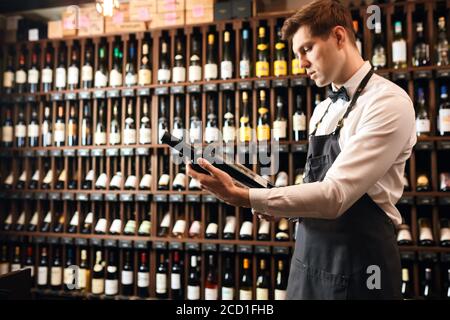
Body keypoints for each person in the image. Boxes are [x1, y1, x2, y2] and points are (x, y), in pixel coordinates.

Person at [187, 0, 416, 300]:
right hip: (307, 262)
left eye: (306, 49)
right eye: (297, 55)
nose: (301, 64)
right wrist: (270, 199)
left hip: (361, 267)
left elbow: (335, 196)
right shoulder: (321, 110)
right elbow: (314, 188)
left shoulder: (388, 103)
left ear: (338, 36)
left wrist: (244, 197)